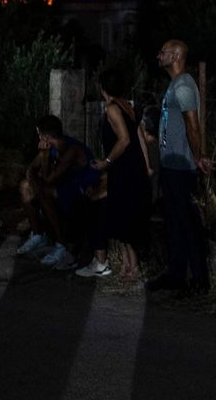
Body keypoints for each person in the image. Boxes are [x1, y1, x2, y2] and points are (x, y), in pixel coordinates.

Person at [147, 39, 212, 294]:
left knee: (188, 224)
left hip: (182, 169)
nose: (158, 55)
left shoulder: (184, 86)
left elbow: (192, 126)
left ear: (175, 56)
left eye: (162, 52)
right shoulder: (175, 85)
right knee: (175, 223)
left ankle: (198, 281)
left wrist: (197, 157)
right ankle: (177, 276)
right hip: (171, 165)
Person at [78, 69, 152, 279]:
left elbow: (126, 139)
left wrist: (106, 162)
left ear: (102, 87)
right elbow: (139, 138)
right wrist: (146, 165)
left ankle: (133, 267)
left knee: (124, 217)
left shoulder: (112, 108)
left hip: (123, 168)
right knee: (123, 215)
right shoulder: (127, 106)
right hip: (132, 167)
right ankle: (128, 265)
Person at [17, 115, 97, 271]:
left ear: (46, 136)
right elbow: (30, 170)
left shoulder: (70, 149)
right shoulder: (50, 147)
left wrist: (45, 157)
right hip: (63, 187)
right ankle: (38, 234)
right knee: (25, 186)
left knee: (44, 191)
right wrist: (34, 185)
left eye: (39, 134)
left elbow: (49, 179)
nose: (38, 138)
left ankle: (61, 244)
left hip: (82, 189)